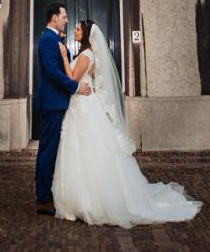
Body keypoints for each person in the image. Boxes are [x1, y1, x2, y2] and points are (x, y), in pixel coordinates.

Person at [50, 19, 202, 227]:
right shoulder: (85, 54)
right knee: (79, 152)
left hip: (84, 108)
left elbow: (73, 79)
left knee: (87, 152)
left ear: (85, 34)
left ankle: (92, 202)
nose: (74, 30)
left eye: (78, 29)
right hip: (79, 106)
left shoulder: (86, 56)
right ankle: (78, 200)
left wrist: (65, 57)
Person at [35, 3, 90, 216]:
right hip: (51, 103)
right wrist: (76, 87)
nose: (67, 20)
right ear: (54, 18)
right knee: (48, 151)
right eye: (64, 16)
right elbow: (52, 73)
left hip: (57, 103)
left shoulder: (56, 39)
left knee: (49, 149)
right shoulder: (48, 40)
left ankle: (46, 194)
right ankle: (43, 200)